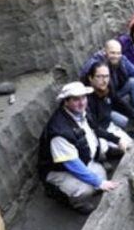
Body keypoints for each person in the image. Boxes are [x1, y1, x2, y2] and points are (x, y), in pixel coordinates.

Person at [37, 81, 127, 214]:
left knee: (101, 174)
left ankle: (90, 185)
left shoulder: (81, 112)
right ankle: (72, 201)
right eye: (76, 99)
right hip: (59, 170)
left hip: (81, 157)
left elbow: (96, 129)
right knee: (86, 189)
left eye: (83, 98)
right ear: (66, 102)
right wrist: (98, 183)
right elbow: (71, 164)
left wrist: (117, 140)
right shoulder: (59, 132)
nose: (82, 103)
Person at [85, 62, 134, 144]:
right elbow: (94, 128)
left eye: (106, 76)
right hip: (95, 136)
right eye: (99, 76)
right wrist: (117, 140)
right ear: (90, 78)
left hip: (108, 126)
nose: (104, 80)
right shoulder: (85, 99)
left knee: (130, 142)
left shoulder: (106, 89)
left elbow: (119, 103)